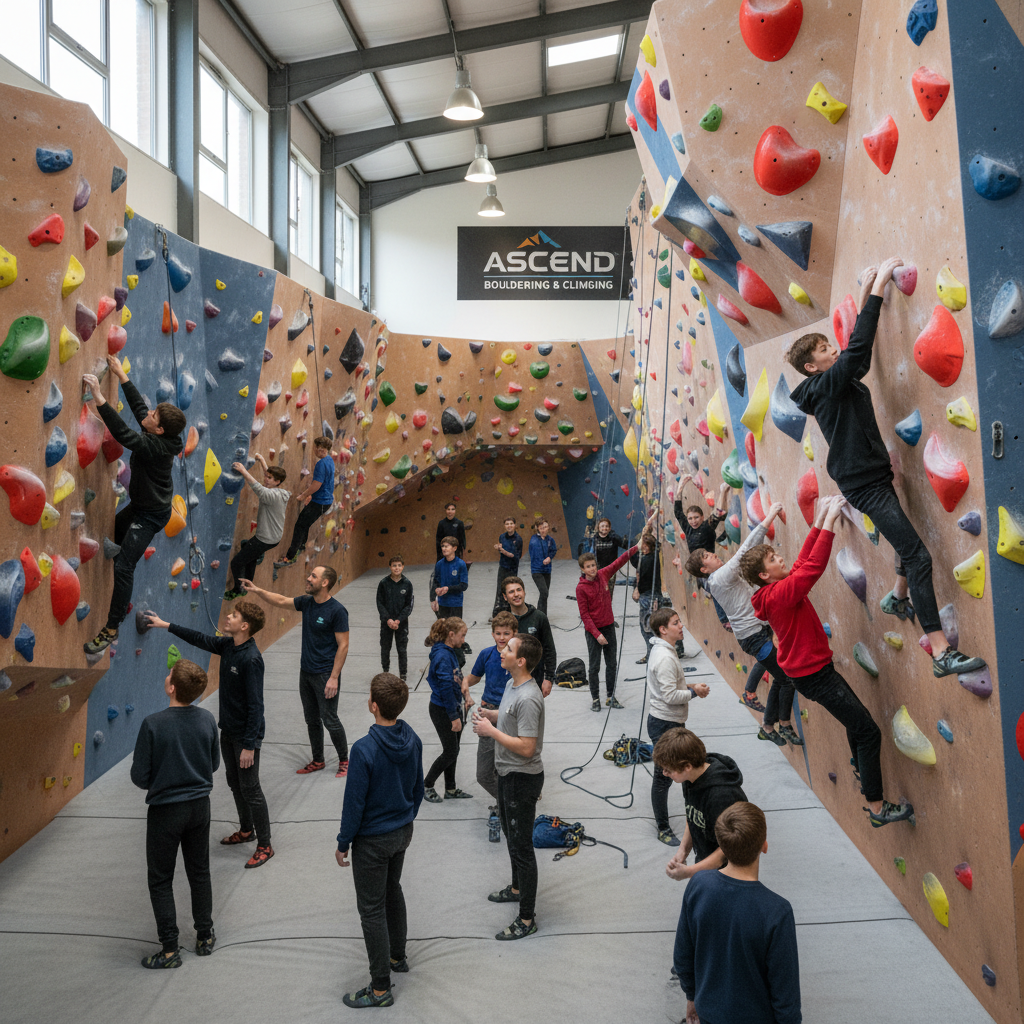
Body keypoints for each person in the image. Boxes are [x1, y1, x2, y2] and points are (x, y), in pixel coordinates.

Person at [787, 258, 985, 678]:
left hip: (871, 476)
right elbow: (857, 348)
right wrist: (877, 287)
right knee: (918, 554)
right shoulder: (823, 387)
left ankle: (897, 597)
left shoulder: (832, 382)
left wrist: (866, 295)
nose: (833, 350)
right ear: (811, 366)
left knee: (902, 541)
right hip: (865, 484)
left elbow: (855, 355)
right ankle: (940, 650)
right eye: (825, 350)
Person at [740, 495, 914, 827]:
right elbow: (813, 569)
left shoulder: (775, 589)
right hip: (813, 676)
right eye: (775, 559)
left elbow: (803, 563)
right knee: (868, 731)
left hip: (813, 672)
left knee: (857, 723)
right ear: (765, 575)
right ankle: (877, 808)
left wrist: (819, 521)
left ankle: (862, 771)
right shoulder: (778, 595)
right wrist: (830, 524)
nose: (781, 559)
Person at [143, 601, 274, 868]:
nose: (228, 616)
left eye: (234, 615)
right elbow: (200, 638)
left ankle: (265, 845)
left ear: (245, 626)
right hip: (228, 730)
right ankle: (246, 829)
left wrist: (249, 745)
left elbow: (256, 706)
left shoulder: (251, 659)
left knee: (251, 788)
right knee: (234, 783)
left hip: (246, 737)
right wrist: (165, 625)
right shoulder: (228, 646)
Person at [82, 356, 185, 655]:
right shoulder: (156, 431)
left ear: (160, 430)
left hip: (152, 515)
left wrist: (100, 400)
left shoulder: (155, 446)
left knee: (125, 564)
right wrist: (121, 375)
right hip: (142, 504)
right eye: (154, 412)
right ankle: (115, 592)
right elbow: (140, 410)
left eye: (154, 416)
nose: (149, 414)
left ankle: (111, 627)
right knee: (114, 535)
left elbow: (126, 436)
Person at [336, 673, 424, 1009]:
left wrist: (344, 841)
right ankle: (397, 957)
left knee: (371, 910)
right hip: (402, 832)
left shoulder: (364, 749)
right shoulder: (412, 737)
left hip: (373, 841)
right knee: (392, 890)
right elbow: (417, 788)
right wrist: (406, 817)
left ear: (373, 705)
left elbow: (354, 804)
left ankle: (379, 988)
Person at [686, 500, 803, 747]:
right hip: (754, 638)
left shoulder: (719, 578)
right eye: (708, 556)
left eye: (709, 552)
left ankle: (770, 726)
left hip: (759, 631)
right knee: (787, 678)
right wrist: (769, 516)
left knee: (782, 678)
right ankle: (781, 724)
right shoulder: (718, 579)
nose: (713, 555)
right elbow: (745, 551)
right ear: (704, 568)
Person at [674, 802, 801, 1024]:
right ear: (764, 846)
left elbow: (683, 955)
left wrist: (692, 997)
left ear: (722, 846)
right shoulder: (776, 911)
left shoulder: (698, 885)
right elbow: (785, 994)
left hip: (708, 1013)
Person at [129, 658, 218, 968]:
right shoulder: (206, 719)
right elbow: (214, 764)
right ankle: (205, 936)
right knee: (199, 872)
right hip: (199, 808)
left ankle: (169, 951)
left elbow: (139, 777)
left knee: (161, 880)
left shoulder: (153, 724)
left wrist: (165, 777)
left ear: (171, 687)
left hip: (166, 811)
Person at [240, 565, 351, 777]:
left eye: (313, 576)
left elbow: (343, 645)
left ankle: (345, 760)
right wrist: (257, 590)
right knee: (311, 719)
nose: (308, 578)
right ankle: (318, 759)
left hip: (325, 674)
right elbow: (281, 600)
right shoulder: (307, 603)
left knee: (330, 719)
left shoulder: (337, 611)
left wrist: (334, 677)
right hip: (306, 672)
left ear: (325, 583)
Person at [472, 634, 546, 941]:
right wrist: (494, 716)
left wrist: (490, 731)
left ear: (521, 660)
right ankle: (517, 888)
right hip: (506, 774)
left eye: (508, 649)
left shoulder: (529, 697)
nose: (502, 650)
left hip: (521, 778)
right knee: (510, 835)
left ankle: (526, 919)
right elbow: (510, 720)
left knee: (521, 846)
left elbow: (528, 747)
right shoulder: (509, 685)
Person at [576, 509, 659, 711]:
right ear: (582, 569)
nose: (592, 569)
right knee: (595, 666)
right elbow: (585, 616)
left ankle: (610, 696)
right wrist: (596, 635)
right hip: (594, 631)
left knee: (612, 664)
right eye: (588, 567)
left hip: (608, 628)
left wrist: (636, 547)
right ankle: (595, 699)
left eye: (593, 565)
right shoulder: (581, 588)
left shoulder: (604, 575)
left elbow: (619, 561)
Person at [646, 608, 710, 845]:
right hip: (664, 724)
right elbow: (670, 696)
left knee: (681, 769)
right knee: (663, 776)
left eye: (680, 621)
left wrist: (690, 684)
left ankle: (689, 820)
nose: (681, 625)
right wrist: (694, 692)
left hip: (669, 722)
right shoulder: (663, 657)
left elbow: (672, 685)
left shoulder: (665, 650)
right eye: (676, 623)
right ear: (663, 629)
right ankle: (663, 828)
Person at [658, 728, 747, 881]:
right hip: (707, 861)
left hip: (729, 872)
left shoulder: (721, 797)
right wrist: (683, 852)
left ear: (687, 766)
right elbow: (692, 817)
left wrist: (690, 871)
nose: (664, 773)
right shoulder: (690, 779)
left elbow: (726, 851)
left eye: (668, 770)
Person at [462, 611, 516, 840]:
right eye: (498, 633)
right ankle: (509, 801)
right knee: (484, 773)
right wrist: (462, 683)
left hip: (511, 713)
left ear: (515, 634)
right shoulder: (486, 654)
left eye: (506, 633)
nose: (501, 638)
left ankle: (507, 805)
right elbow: (474, 677)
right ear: (492, 633)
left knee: (511, 765)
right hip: (487, 712)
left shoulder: (518, 657)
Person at [422, 617, 472, 803]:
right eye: (462, 635)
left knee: (454, 749)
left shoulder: (450, 651)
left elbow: (455, 680)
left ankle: (450, 788)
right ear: (451, 635)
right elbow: (444, 688)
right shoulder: (442, 656)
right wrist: (453, 717)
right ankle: (427, 784)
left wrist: (465, 696)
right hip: (442, 709)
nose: (464, 639)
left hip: (452, 706)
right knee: (450, 751)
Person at [225, 455, 289, 599]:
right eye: (267, 476)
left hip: (265, 538)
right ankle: (248, 583)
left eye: (270, 478)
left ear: (278, 482)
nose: (267, 479)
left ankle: (238, 589)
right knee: (249, 552)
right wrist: (262, 461)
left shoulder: (270, 495)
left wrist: (243, 471)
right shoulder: (280, 491)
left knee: (237, 562)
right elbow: (268, 478)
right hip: (273, 537)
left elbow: (257, 487)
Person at [674, 478, 731, 629]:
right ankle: (724, 618)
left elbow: (719, 512)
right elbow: (677, 511)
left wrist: (723, 491)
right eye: (690, 518)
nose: (693, 521)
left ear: (702, 517)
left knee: (718, 588)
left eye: (696, 517)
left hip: (711, 566)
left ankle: (726, 617)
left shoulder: (706, 527)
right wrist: (680, 488)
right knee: (714, 589)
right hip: (701, 571)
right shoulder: (687, 529)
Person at [275, 436, 334, 568]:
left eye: (319, 448)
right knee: (305, 522)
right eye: (316, 448)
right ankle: (300, 547)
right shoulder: (329, 460)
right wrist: (311, 496)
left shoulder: (321, 464)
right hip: (324, 500)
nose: (316, 450)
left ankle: (290, 557)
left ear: (324, 450)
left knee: (300, 525)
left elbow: (317, 484)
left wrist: (304, 495)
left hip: (321, 502)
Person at [500, 576, 555, 696]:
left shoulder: (539, 618)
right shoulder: (503, 621)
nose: (516, 594)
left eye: (518, 590)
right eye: (511, 592)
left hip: (535, 680)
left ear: (524, 592)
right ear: (505, 597)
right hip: (509, 681)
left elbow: (549, 649)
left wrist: (549, 678)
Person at [376, 555, 413, 680]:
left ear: (403, 567)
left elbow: (409, 605)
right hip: (386, 623)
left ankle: (403, 674)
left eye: (399, 565)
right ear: (390, 567)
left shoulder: (407, 584)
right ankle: (385, 671)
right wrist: (388, 619)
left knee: (402, 649)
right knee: (385, 648)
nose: (396, 568)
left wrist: (398, 620)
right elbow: (379, 603)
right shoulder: (383, 583)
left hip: (401, 624)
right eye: (394, 565)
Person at [630, 529, 665, 662]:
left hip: (649, 596)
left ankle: (653, 654)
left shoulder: (648, 560)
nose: (641, 548)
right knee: (656, 625)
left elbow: (641, 578)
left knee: (648, 628)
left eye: (643, 546)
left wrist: (636, 589)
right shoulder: (652, 555)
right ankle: (671, 650)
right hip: (652, 595)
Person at [430, 537, 469, 620]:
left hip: (456, 604)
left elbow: (463, 586)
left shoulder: (461, 564)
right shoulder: (439, 564)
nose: (444, 548)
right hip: (442, 603)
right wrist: (433, 597)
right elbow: (436, 582)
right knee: (443, 630)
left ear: (454, 548)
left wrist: (448, 589)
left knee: (455, 630)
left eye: (446, 546)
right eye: (442, 546)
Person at [492, 516, 523, 616]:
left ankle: (510, 611)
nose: (509, 526)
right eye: (507, 524)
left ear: (514, 525)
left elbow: (514, 556)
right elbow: (501, 549)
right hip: (503, 566)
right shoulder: (502, 536)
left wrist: (503, 551)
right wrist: (498, 547)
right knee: (500, 589)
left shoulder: (518, 539)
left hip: (512, 568)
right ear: (504, 526)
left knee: (510, 589)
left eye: (511, 524)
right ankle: (498, 612)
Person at [528, 519, 557, 616]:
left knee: (545, 594)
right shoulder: (534, 540)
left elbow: (553, 550)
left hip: (547, 570)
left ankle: (542, 615)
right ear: (538, 529)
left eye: (545, 527)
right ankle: (540, 615)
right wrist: (541, 562)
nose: (544, 530)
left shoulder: (550, 540)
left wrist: (549, 557)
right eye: (541, 528)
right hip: (537, 571)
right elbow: (534, 554)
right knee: (544, 592)